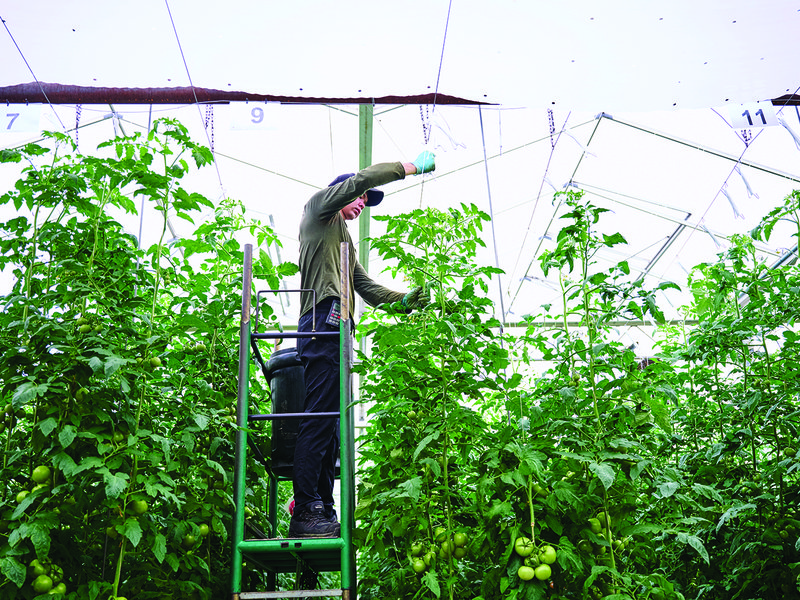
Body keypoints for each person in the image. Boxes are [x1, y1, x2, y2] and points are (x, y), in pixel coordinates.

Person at [288, 152, 435, 538]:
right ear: (342, 192)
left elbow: (365, 287)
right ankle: (305, 506)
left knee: (330, 425)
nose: (362, 204)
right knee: (319, 417)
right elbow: (358, 181)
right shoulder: (319, 210)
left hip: (338, 328)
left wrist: (406, 301)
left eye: (366, 202)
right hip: (321, 320)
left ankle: (322, 506)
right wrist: (408, 168)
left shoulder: (345, 242)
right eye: (360, 198)